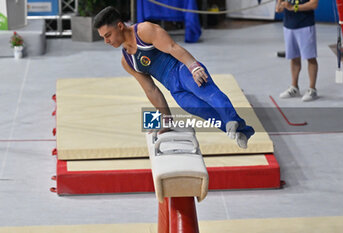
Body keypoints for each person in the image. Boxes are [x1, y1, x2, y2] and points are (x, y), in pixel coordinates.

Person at [93, 6, 254, 148]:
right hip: (174, 89)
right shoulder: (127, 61)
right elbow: (151, 90)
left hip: (182, 69)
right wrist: (166, 119)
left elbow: (172, 47)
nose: (106, 41)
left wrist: (194, 67)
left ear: (120, 26)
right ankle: (244, 131)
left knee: (208, 94)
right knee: (204, 112)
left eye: (108, 35)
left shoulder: (144, 31)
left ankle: (232, 119)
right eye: (103, 38)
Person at [276, 0, 319, 101]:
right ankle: (294, 87)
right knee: (294, 57)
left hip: (305, 25)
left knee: (310, 57)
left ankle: (312, 89)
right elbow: (280, 6)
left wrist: (293, 7)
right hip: (289, 25)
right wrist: (280, 6)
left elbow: (314, 4)